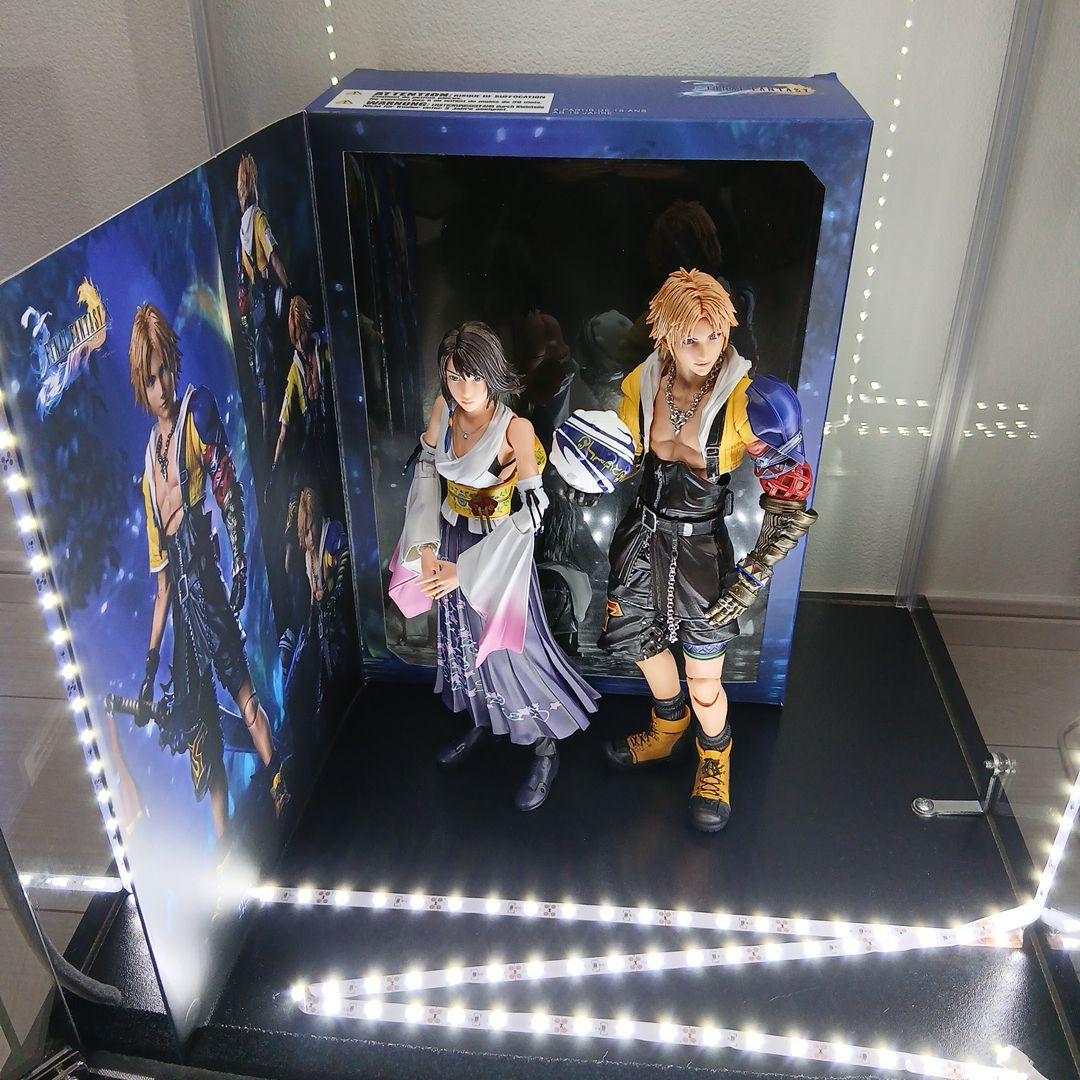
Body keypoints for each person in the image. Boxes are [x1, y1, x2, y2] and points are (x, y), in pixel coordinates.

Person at [552, 269, 815, 833]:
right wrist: (586, 475)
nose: (705, 351)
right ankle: (668, 729)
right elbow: (622, 458)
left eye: (714, 336)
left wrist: (750, 578)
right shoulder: (643, 382)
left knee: (704, 676)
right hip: (641, 537)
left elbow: (790, 503)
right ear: (666, 334)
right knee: (640, 644)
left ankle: (714, 758)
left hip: (702, 551)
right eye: (690, 339)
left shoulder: (757, 403)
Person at [387, 321, 598, 811]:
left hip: (498, 549)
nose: (464, 390)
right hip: (447, 538)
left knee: (509, 650)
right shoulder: (443, 409)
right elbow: (426, 470)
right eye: (454, 377)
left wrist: (465, 571)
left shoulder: (514, 430)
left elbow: (533, 513)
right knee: (461, 641)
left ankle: (544, 749)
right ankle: (484, 720)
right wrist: (425, 548)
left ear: (492, 373)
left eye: (474, 377)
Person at [131, 303, 289, 839]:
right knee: (201, 734)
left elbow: (228, 489)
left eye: (165, 372)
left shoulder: (196, 412)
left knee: (245, 694)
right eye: (150, 380)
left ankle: (281, 790)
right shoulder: (147, 468)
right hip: (180, 604)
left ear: (174, 366)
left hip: (207, 579)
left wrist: (240, 557)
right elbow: (160, 585)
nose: (162, 387)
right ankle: (223, 846)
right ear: (141, 386)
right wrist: (149, 668)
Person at [236, 153, 289, 435]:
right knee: (276, 369)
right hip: (267, 302)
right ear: (254, 184)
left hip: (255, 308)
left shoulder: (241, 227)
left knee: (263, 377)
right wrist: (290, 288)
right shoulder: (258, 218)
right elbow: (274, 258)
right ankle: (275, 432)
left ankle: (267, 432)